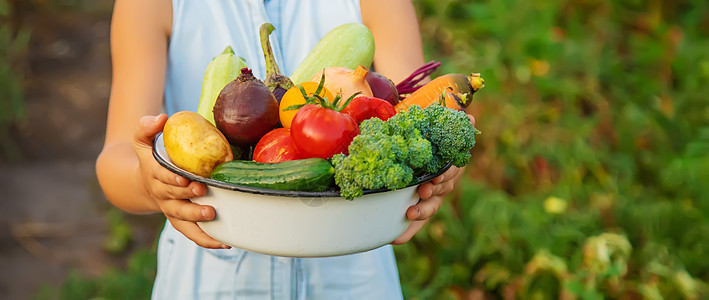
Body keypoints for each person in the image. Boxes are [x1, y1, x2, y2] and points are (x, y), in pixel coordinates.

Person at [96, 0, 473, 298]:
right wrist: (149, 183)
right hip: (210, 281)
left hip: (356, 275)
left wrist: (437, 165)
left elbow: (415, 115)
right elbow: (115, 161)